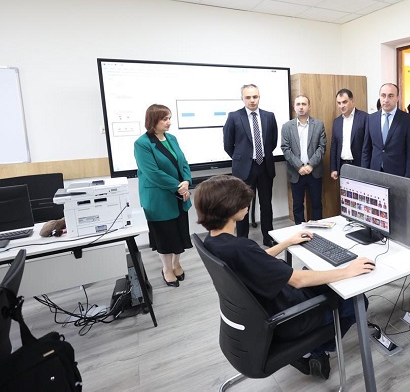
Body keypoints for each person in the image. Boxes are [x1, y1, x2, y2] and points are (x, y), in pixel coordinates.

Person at [195, 175, 374, 379]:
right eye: (244, 202)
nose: (247, 205)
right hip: (288, 317)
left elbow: (256, 259)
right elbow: (298, 280)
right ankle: (312, 351)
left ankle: (309, 351)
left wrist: (287, 242)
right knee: (355, 300)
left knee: (315, 274)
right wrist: (348, 270)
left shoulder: (215, 242)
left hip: (269, 305)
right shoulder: (241, 248)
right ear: (231, 208)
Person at [134, 104, 192, 287]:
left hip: (179, 194)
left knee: (179, 232)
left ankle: (176, 264)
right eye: (165, 119)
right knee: (165, 235)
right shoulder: (142, 143)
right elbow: (153, 173)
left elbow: (183, 162)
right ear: (153, 121)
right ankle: (167, 269)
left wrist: (186, 181)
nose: (169, 122)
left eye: (169, 118)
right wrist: (178, 187)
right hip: (158, 198)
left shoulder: (172, 138)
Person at [223, 84, 278, 247]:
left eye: (255, 96)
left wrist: (261, 155)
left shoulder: (269, 116)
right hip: (244, 169)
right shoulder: (234, 116)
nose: (252, 100)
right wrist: (242, 159)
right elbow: (228, 144)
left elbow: (273, 142)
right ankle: (242, 240)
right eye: (248, 97)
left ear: (259, 97)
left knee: (266, 205)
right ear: (242, 98)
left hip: (265, 166)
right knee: (242, 206)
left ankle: (268, 236)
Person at [281, 95, 327, 224]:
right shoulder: (287, 126)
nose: (301, 107)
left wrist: (311, 165)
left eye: (304, 104)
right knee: (297, 206)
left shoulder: (318, 124)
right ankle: (300, 231)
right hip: (296, 172)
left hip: (314, 171)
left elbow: (322, 147)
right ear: (294, 107)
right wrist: (299, 166)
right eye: (298, 104)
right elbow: (285, 148)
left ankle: (318, 231)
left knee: (317, 204)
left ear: (309, 106)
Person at [361, 83, 410, 178]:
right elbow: (366, 150)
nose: (386, 100)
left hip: (398, 174)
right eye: (383, 95)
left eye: (390, 96)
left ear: (397, 98)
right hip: (375, 172)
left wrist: (409, 178)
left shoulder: (408, 120)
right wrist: (364, 174)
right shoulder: (371, 119)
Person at [330, 89, 368, 180]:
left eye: (344, 102)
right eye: (339, 103)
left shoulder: (365, 118)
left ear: (352, 101)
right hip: (342, 166)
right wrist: (333, 168)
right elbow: (334, 146)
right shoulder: (337, 122)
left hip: (359, 166)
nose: (341, 106)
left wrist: (365, 168)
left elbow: (368, 145)